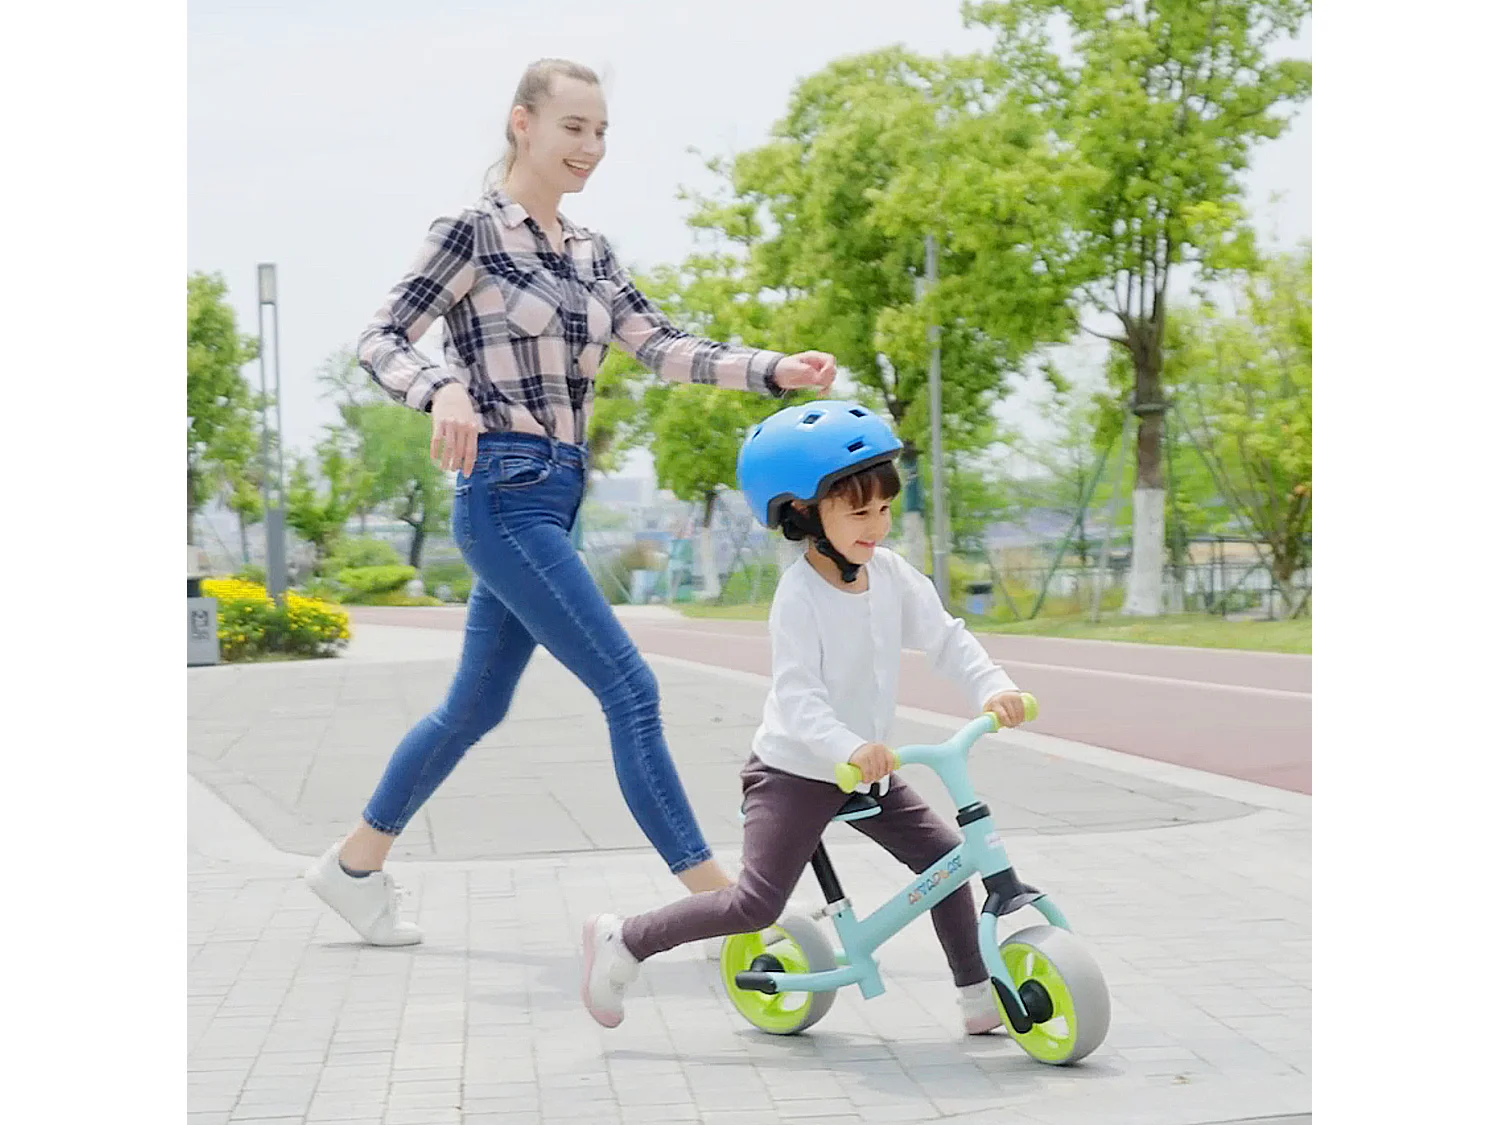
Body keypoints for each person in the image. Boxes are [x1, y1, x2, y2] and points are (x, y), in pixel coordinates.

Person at [302, 58, 837, 946]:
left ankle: (353, 866)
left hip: (555, 496)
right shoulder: (471, 233)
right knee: (631, 688)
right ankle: (728, 910)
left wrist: (769, 369)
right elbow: (380, 335)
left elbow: (659, 343)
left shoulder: (589, 251)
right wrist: (439, 387)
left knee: (475, 706)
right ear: (523, 125)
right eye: (573, 128)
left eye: (601, 132)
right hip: (503, 492)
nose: (590, 147)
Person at [580, 401, 1029, 1035]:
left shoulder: (892, 574)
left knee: (947, 864)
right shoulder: (798, 597)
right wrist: (847, 746)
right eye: (857, 511)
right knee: (755, 903)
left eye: (882, 509)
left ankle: (978, 995)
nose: (875, 526)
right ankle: (625, 939)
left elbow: (947, 639)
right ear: (802, 514)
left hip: (866, 767)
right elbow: (799, 699)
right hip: (794, 771)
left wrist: (995, 686)